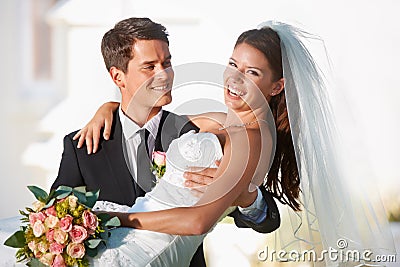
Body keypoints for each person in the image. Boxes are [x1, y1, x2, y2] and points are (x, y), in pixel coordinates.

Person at [79, 20, 397, 267]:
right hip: (131, 230)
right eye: (232, 64)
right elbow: (150, 116)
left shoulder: (254, 140)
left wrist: (117, 220)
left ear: (276, 86)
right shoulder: (217, 118)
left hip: (150, 251)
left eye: (252, 72)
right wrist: (106, 108)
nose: (234, 79)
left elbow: (198, 220)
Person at [50, 17, 280, 266]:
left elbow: (258, 215)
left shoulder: (194, 131)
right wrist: (109, 107)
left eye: (167, 63)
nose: (165, 75)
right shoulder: (82, 148)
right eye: (149, 66)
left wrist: (247, 197)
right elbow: (53, 221)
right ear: (118, 77)